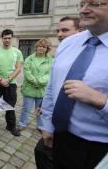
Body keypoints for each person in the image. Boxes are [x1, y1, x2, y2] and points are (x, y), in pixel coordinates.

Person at [40, 0, 108, 169]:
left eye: (95, 4)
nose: (84, 10)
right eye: (82, 4)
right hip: (61, 138)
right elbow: (52, 86)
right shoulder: (68, 43)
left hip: (102, 148)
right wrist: (47, 124)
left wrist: (101, 99)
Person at [34, 16, 81, 169]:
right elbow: (51, 87)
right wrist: (47, 123)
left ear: (80, 31)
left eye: (65, 30)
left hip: (79, 130)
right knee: (41, 152)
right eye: (58, 30)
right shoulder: (62, 52)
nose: (60, 34)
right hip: (56, 124)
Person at [18, 38, 53, 131]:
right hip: (29, 87)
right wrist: (35, 81)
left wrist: (40, 82)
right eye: (39, 46)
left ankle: (40, 126)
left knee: (41, 110)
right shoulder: (29, 58)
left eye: (43, 47)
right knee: (26, 109)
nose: (41, 48)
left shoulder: (51, 60)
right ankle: (22, 123)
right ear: (36, 47)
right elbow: (27, 72)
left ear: (47, 49)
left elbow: (50, 74)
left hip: (42, 89)